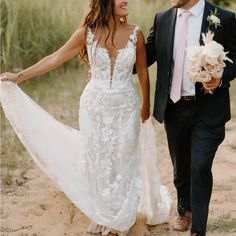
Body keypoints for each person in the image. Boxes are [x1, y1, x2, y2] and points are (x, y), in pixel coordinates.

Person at [0, 0, 172, 235]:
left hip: (126, 107)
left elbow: (142, 71)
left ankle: (121, 216)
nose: (126, 1)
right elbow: (55, 58)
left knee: (125, 159)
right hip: (94, 107)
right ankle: (106, 213)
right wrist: (19, 76)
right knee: (99, 160)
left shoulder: (136, 33)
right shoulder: (86, 34)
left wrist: (146, 104)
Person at [144, 0, 236, 235]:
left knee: (200, 164)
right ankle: (184, 210)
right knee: (181, 168)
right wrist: (113, 46)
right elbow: (145, 57)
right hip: (174, 107)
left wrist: (221, 77)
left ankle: (198, 228)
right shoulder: (162, 18)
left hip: (209, 109)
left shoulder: (223, 18)